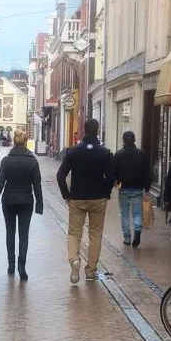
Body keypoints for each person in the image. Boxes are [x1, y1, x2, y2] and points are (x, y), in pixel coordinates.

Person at [56, 119, 114, 284]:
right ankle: (90, 270)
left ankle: (74, 260)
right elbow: (110, 177)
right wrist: (106, 192)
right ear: (97, 130)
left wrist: (66, 195)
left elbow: (60, 175)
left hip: (77, 198)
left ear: (84, 130)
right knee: (95, 234)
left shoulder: (73, 152)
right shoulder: (105, 153)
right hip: (98, 198)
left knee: (74, 233)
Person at [0, 130, 43, 280]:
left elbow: (0, 183)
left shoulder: (6, 161)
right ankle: (22, 267)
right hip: (26, 202)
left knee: (10, 233)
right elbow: (37, 185)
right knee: (24, 235)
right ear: (25, 143)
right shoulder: (33, 161)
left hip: (9, 201)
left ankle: (11, 265)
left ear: (14, 142)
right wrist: (39, 205)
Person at [113, 131, 151, 247]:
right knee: (137, 212)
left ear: (123, 140)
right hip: (137, 188)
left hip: (123, 188)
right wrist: (147, 188)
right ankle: (137, 230)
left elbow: (113, 171)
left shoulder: (119, 154)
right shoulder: (141, 154)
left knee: (124, 213)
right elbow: (146, 172)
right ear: (134, 140)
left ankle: (127, 238)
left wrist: (116, 182)